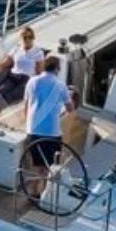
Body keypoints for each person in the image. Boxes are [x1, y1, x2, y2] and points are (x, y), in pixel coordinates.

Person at [21, 55, 75, 196]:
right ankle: (43, 193)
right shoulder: (60, 85)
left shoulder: (32, 81)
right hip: (51, 133)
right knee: (49, 166)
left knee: (37, 165)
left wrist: (29, 125)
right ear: (57, 69)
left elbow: (26, 107)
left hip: (33, 130)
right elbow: (70, 108)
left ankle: (33, 192)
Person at [0, 26, 44, 116]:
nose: (27, 40)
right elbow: (6, 63)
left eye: (30, 37)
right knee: (1, 91)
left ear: (33, 38)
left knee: (12, 95)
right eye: (25, 37)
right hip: (13, 75)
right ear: (20, 38)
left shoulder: (38, 52)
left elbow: (39, 72)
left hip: (26, 79)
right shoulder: (16, 49)